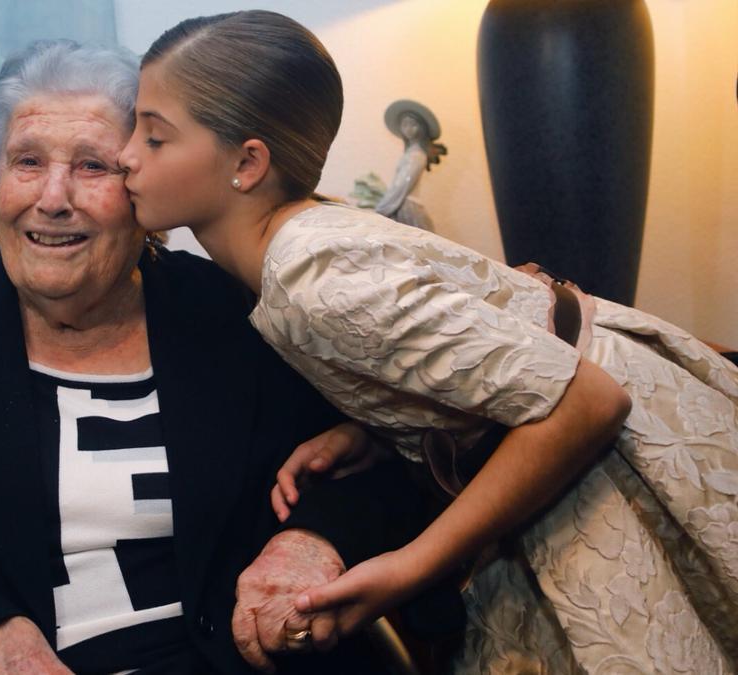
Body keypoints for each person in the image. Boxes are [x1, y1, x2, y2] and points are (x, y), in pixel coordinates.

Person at [0, 40, 454, 675]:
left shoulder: (239, 308)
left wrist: (310, 540)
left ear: (142, 188)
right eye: (27, 161)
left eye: (92, 165)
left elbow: (374, 469)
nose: (52, 198)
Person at [119, 10, 738, 673]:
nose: (125, 153)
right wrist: (381, 426)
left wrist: (406, 567)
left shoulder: (305, 275)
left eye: (154, 138)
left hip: (617, 451)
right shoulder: (301, 242)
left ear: (246, 162)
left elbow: (585, 399)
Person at [373, 99, 447, 231]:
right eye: (404, 125)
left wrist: (382, 207)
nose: (408, 129)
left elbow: (402, 185)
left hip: (406, 206)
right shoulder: (411, 153)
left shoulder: (417, 155)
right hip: (400, 203)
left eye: (413, 124)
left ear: (422, 127)